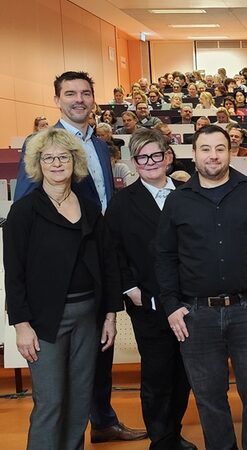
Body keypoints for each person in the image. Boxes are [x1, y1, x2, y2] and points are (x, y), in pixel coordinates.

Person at [13, 72, 146, 443]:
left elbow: (105, 203)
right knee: (53, 397)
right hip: (56, 283)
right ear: (57, 99)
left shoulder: (100, 145)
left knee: (94, 365)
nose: (79, 100)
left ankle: (101, 420)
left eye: (86, 93)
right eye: (70, 93)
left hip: (97, 266)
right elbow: (25, 218)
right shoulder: (41, 145)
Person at [155, 125, 247, 450]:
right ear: (194, 154)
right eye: (205, 149)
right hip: (196, 315)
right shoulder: (178, 201)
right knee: (209, 398)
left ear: (230, 152)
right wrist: (171, 305)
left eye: (219, 148)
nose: (212, 156)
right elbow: (165, 256)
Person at [5, 127, 122, 449]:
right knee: (51, 402)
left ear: (75, 161)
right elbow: (14, 273)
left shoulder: (90, 208)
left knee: (80, 400)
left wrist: (110, 315)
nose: (56, 164)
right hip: (44, 321)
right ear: (38, 164)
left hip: (89, 316)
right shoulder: (23, 212)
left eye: (63, 157)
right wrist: (21, 325)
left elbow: (108, 264)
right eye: (48, 158)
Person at [105, 128, 197, 450]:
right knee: (158, 375)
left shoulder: (188, 192)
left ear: (168, 156)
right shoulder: (121, 203)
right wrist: (131, 290)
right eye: (142, 157)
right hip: (149, 304)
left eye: (156, 154)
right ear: (134, 162)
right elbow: (113, 252)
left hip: (189, 302)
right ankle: (161, 441)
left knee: (183, 374)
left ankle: (173, 432)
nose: (150, 162)